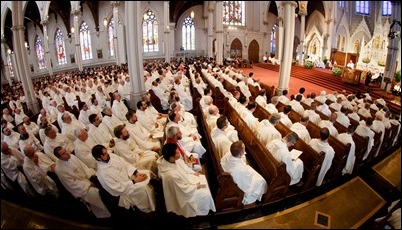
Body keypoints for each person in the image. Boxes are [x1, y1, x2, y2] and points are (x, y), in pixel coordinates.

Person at [92, 144, 156, 213]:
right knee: (143, 188)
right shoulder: (102, 174)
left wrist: (136, 173)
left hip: (130, 176)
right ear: (98, 158)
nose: (108, 154)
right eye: (104, 154)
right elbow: (116, 188)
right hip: (126, 189)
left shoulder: (111, 156)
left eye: (106, 151)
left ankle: (154, 198)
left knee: (147, 173)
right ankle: (147, 209)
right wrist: (134, 181)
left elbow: (125, 164)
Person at [157, 143, 216, 218]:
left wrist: (193, 173)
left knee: (202, 179)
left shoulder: (170, 160)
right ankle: (206, 213)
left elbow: (183, 167)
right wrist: (195, 187)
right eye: (177, 152)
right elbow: (182, 190)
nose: (179, 152)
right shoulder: (171, 175)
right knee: (205, 194)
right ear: (171, 157)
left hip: (185, 181)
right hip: (183, 195)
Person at [53, 146, 111, 218]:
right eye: (63, 153)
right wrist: (89, 184)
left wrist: (92, 177)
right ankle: (105, 213)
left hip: (88, 179)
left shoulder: (72, 157)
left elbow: (84, 167)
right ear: (59, 157)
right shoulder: (59, 169)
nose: (67, 153)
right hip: (82, 188)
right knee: (96, 194)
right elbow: (71, 184)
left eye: (65, 150)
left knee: (104, 181)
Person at [220, 141, 267, 205]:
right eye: (244, 149)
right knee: (262, 181)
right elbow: (247, 184)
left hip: (235, 172)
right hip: (237, 179)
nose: (245, 150)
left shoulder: (228, 154)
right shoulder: (241, 170)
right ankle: (262, 199)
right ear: (241, 154)